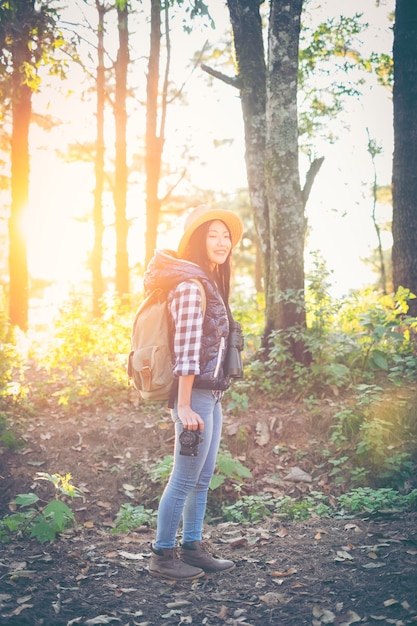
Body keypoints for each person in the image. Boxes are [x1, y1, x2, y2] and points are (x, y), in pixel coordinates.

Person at [144, 204, 244, 581]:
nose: (222, 242)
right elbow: (186, 351)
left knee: (202, 478)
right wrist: (184, 404)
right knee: (184, 478)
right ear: (196, 241)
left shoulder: (208, 281)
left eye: (226, 235)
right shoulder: (190, 285)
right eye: (212, 235)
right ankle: (162, 555)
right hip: (194, 396)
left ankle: (193, 547)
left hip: (210, 394)